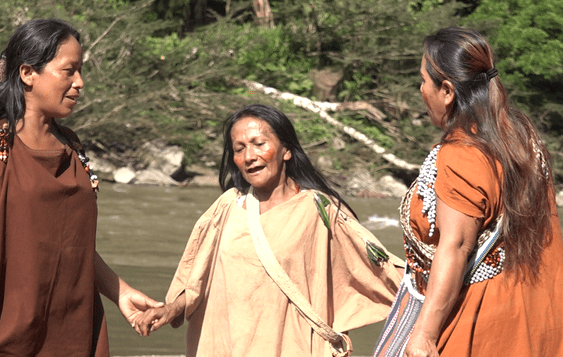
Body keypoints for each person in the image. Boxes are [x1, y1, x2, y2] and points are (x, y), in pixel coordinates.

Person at [0, 19, 161, 357]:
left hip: (69, 339)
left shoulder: (73, 149)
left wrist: (119, 291)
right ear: (27, 73)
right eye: (69, 71)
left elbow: (72, 247)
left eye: (81, 72)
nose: (80, 84)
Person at [134, 103, 404, 356]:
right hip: (227, 345)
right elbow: (194, 280)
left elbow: (379, 269)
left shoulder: (319, 211)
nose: (249, 156)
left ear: (286, 150)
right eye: (239, 149)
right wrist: (170, 310)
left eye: (258, 144)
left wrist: (435, 293)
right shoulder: (227, 207)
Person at [374, 27, 563, 357]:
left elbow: (457, 245)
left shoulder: (462, 154)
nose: (420, 90)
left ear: (447, 90)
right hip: (538, 317)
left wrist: (425, 335)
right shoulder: (521, 136)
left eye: (423, 80)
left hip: (479, 325)